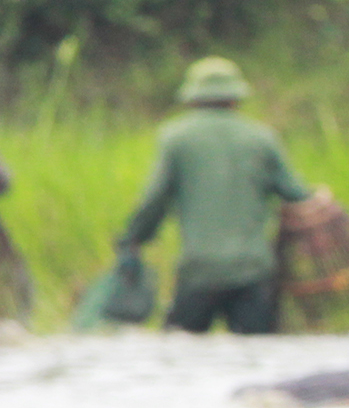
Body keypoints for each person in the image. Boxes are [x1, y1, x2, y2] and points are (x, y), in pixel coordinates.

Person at [118, 58, 315, 335]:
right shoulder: (261, 138)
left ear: (192, 99)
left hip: (199, 271)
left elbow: (155, 201)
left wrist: (134, 238)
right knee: (258, 358)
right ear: (235, 98)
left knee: (180, 355)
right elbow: (296, 195)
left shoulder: (175, 138)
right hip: (253, 270)